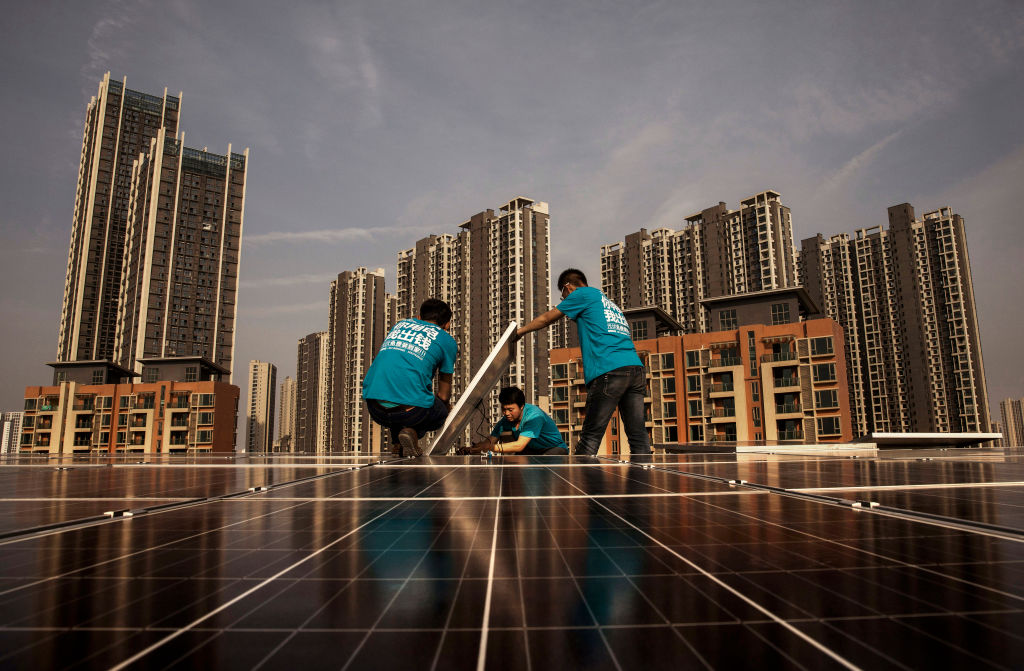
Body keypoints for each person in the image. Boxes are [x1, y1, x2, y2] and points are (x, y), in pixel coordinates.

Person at [516, 268, 651, 456]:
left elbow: (547, 318)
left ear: (568, 287)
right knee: (638, 435)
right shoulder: (609, 304)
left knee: (590, 437)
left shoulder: (582, 294)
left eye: (563, 297)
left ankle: (579, 483)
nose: (565, 302)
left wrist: (520, 332)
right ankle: (644, 481)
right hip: (635, 370)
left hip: (609, 370)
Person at [363, 298, 457, 457]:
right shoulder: (447, 340)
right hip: (410, 413)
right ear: (447, 324)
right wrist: (446, 408)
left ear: (419, 318)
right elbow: (444, 394)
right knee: (440, 410)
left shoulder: (400, 325)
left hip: (374, 407)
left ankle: (398, 443)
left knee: (400, 395)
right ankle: (411, 433)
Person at [464, 386, 568, 455]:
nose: (506, 413)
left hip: (554, 449)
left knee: (542, 465)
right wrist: (472, 449)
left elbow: (519, 445)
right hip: (531, 450)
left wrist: (490, 447)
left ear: (521, 406)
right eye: (504, 409)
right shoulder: (506, 420)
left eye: (510, 410)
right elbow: (490, 441)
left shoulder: (534, 416)